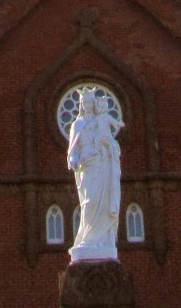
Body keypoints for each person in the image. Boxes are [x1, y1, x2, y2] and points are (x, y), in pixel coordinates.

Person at [66, 88, 122, 261]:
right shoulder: (78, 124)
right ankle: (89, 237)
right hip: (86, 166)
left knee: (102, 199)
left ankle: (102, 238)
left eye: (90, 102)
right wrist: (73, 158)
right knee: (89, 202)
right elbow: (73, 148)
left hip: (101, 164)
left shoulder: (100, 120)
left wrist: (108, 146)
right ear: (81, 105)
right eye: (85, 102)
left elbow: (111, 142)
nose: (88, 105)